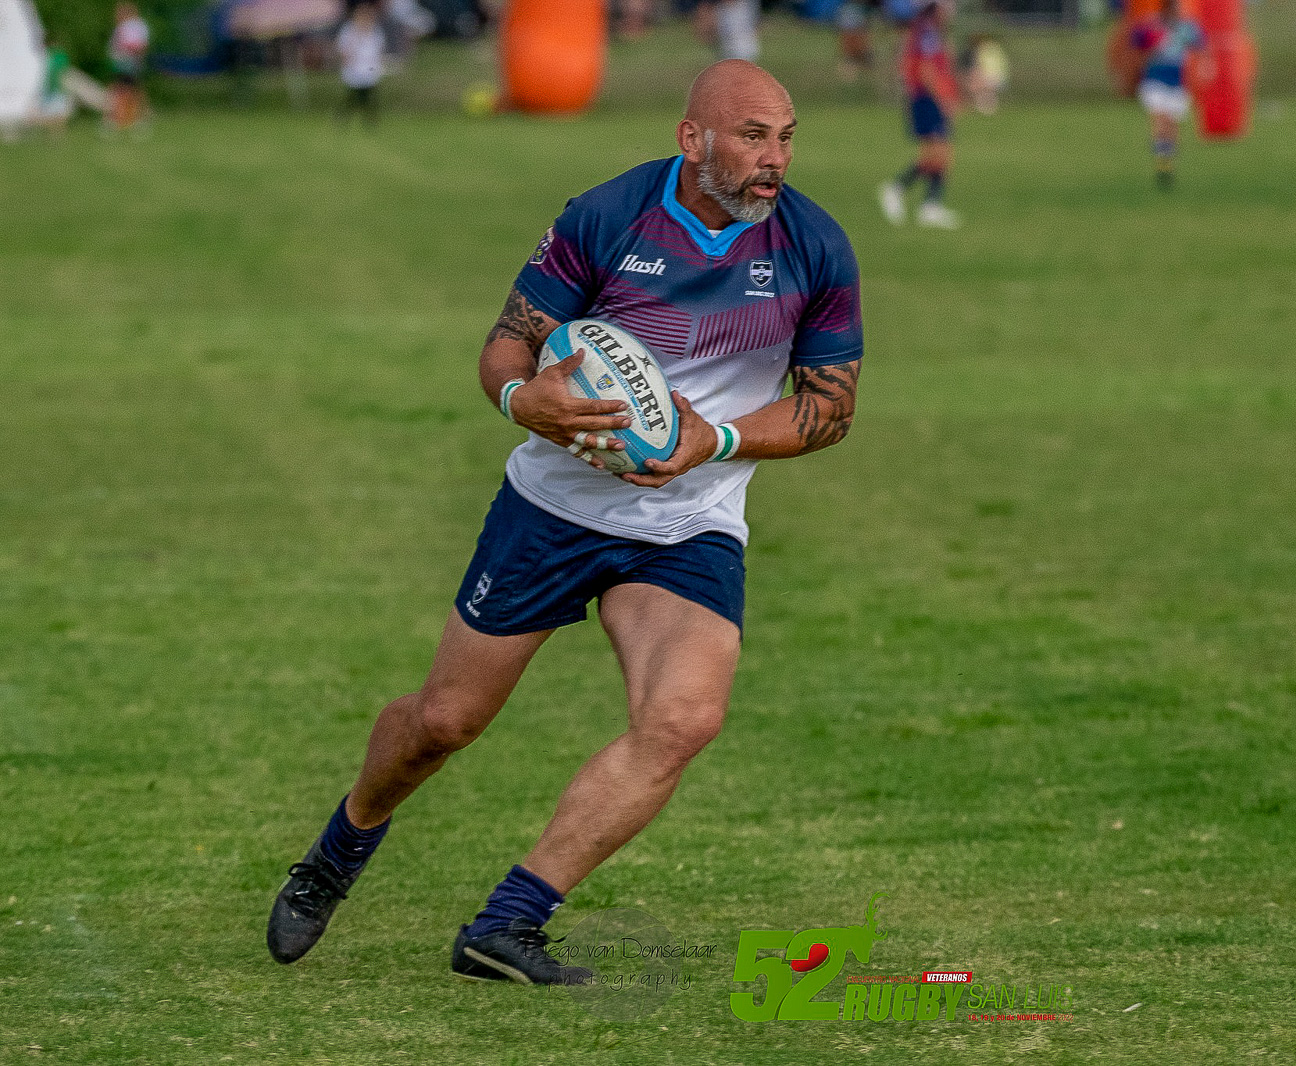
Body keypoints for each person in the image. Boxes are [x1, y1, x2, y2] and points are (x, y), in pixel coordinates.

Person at [266, 59, 865, 985]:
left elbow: (829, 407)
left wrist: (719, 439)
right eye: (752, 137)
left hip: (690, 519)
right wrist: (521, 396)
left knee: (683, 721)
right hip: (556, 508)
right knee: (444, 722)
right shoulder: (608, 217)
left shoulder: (813, 249)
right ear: (691, 138)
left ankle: (507, 924)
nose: (773, 161)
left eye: (785, 138)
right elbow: (508, 340)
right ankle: (341, 847)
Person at [877, 0, 961, 229]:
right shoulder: (927, 33)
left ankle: (929, 205)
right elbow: (926, 70)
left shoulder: (926, 31)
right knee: (937, 152)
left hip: (926, 98)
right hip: (927, 98)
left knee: (941, 153)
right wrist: (943, 99)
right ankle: (898, 189)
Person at [1130, 0, 1204, 190]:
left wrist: (1205, 66)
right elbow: (1135, 41)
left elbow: (1201, 45)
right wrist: (1147, 50)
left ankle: (1167, 161)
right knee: (1160, 120)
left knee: (1172, 126)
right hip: (1155, 79)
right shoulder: (1153, 25)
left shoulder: (1186, 28)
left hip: (1177, 82)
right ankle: (1162, 164)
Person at [336, 0, 385, 127]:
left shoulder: (375, 30)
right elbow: (343, 48)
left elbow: (379, 48)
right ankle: (346, 117)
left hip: (369, 67)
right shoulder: (349, 30)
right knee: (354, 94)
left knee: (367, 94)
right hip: (355, 66)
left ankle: (369, 119)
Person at [106, 1, 150, 134]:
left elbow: (139, 45)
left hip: (129, 62)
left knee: (128, 91)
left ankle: (132, 118)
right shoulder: (123, 26)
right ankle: (126, 118)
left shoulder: (135, 26)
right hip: (121, 63)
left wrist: (128, 49)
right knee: (125, 89)